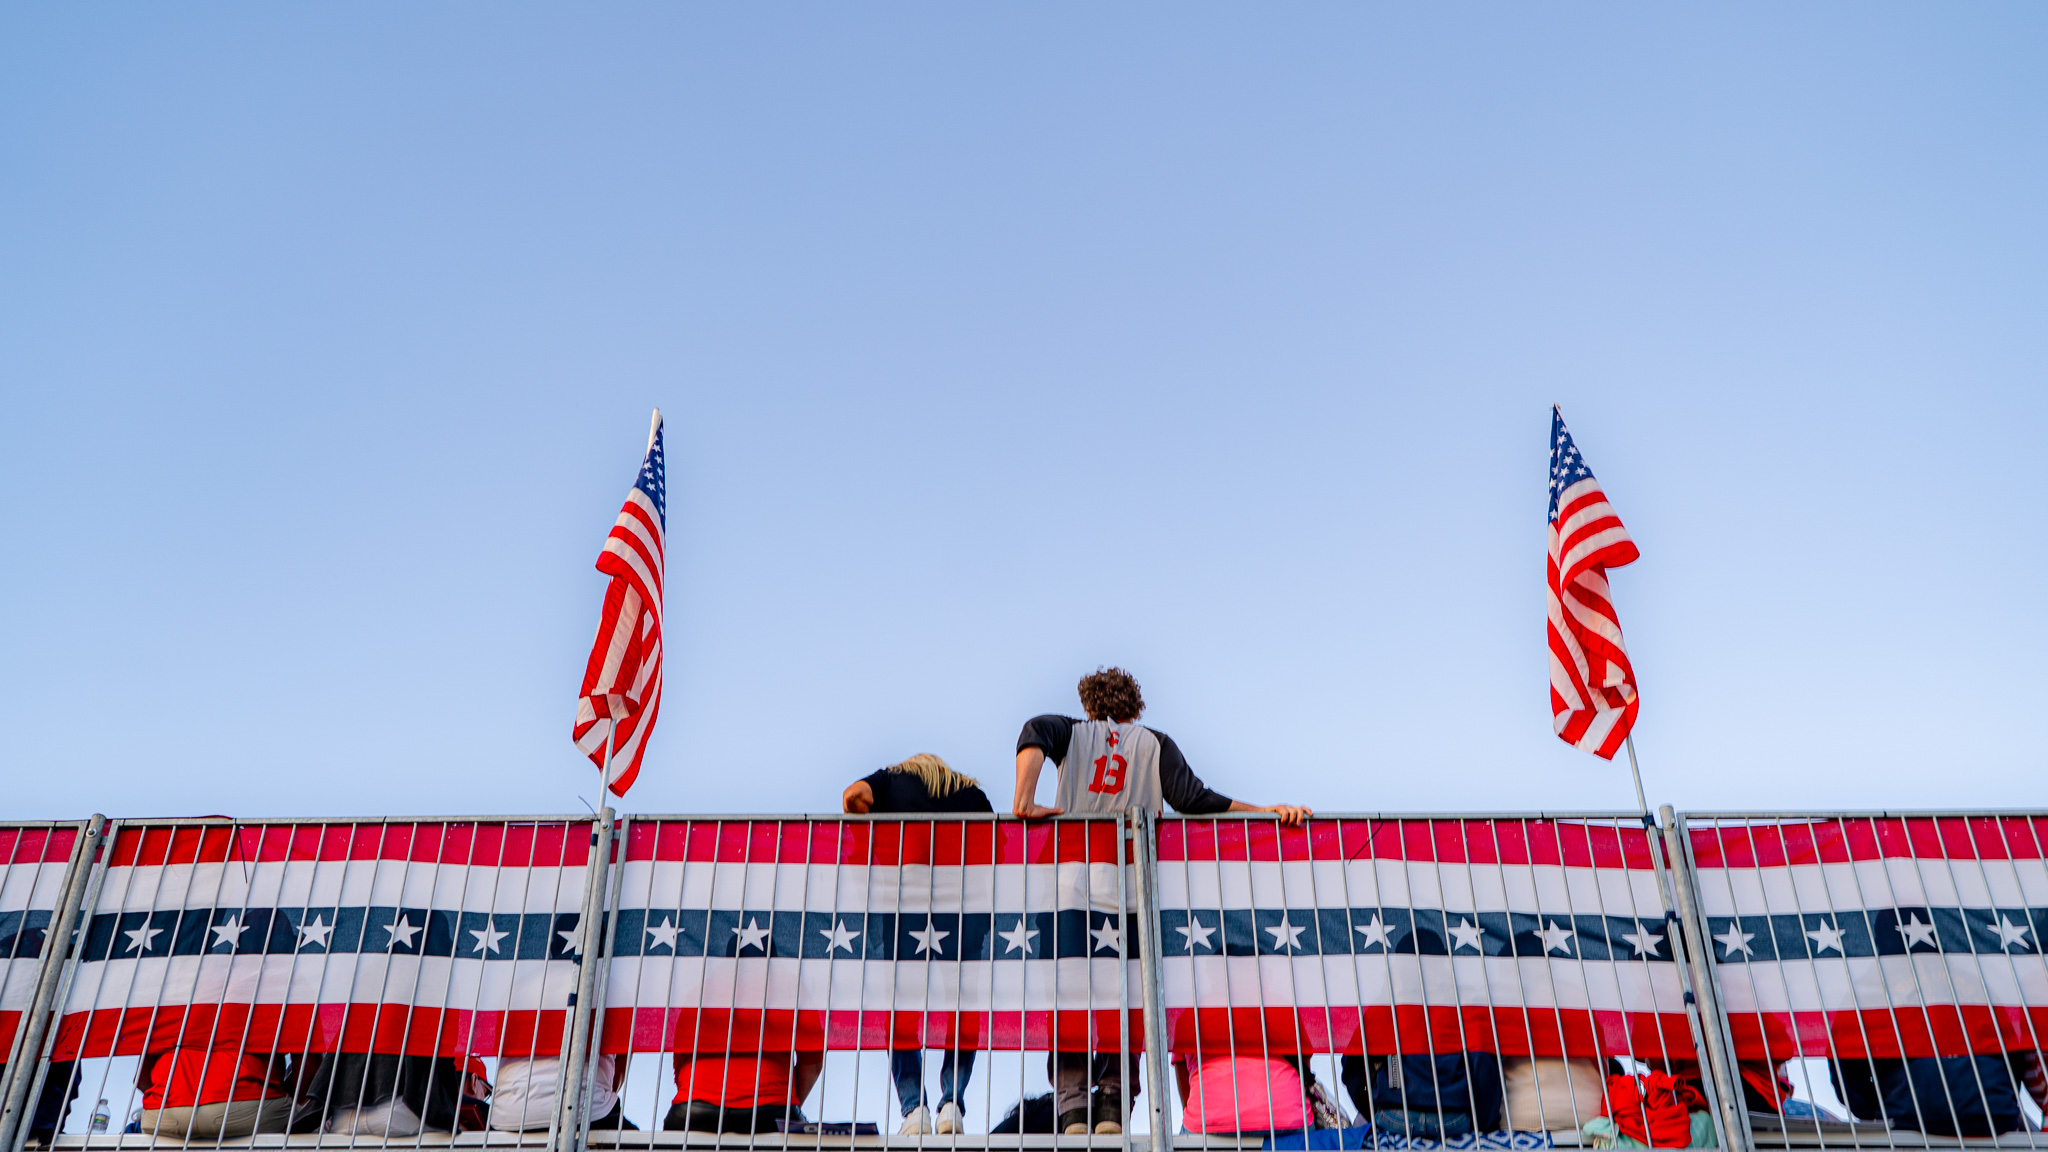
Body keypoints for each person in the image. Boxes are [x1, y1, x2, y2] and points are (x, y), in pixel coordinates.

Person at [1013, 667, 1312, 1136]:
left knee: (1067, 996)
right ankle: (1112, 1102)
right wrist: (1266, 811)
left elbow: (1034, 731)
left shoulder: (1069, 732)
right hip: (1132, 890)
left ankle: (1071, 1108)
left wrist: (1024, 800)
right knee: (1128, 997)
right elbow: (1195, 799)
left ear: (1089, 704)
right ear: (1136, 705)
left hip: (1068, 887)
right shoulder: (1154, 743)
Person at [842, 753, 993, 1135]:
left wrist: (875, 829)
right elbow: (997, 848)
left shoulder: (891, 780)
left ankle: (914, 1110)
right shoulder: (971, 793)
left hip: (904, 906)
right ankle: (952, 1103)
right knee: (961, 1003)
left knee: (901, 1006)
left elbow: (853, 797)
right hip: (962, 909)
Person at [136, 1046, 295, 1140]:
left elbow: (141, 1079)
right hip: (250, 1107)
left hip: (164, 1114)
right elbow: (308, 1071)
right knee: (305, 1116)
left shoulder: (171, 1004)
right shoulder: (272, 999)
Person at [666, 1052, 823, 1135]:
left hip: (693, 1112)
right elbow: (813, 1064)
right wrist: (784, 1104)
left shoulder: (695, 997)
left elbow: (681, 1065)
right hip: (770, 1112)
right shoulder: (793, 995)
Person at [1174, 1053, 1311, 1137]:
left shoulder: (1188, 1006)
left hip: (1207, 1116)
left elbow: (1180, 1062)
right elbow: (1302, 1056)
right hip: (1288, 1113)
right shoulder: (1283, 1005)